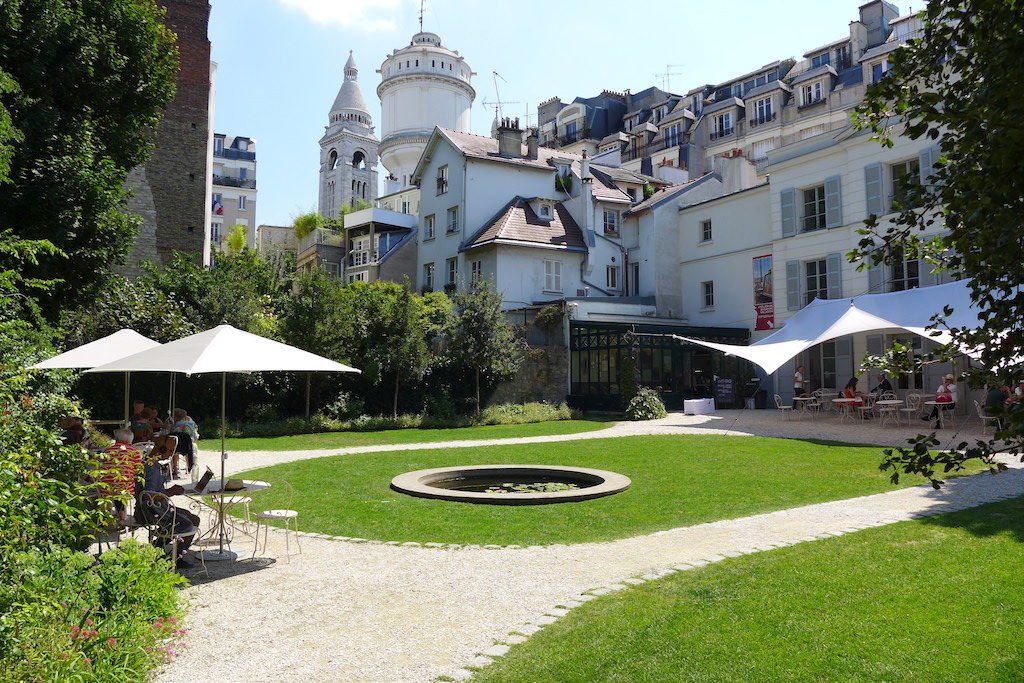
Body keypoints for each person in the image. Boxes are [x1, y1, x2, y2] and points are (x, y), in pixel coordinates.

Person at [137, 441, 200, 568]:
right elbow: (149, 496)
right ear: (161, 450)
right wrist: (171, 492)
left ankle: (157, 549)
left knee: (192, 519)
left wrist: (169, 491)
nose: (172, 455)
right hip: (154, 511)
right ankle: (173, 559)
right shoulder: (151, 468)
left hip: (157, 508)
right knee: (188, 523)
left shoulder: (151, 465)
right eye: (170, 451)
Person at [98, 428, 143, 522]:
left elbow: (101, 462)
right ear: (131, 439)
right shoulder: (135, 452)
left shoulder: (108, 450)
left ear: (117, 438)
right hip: (124, 487)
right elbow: (138, 469)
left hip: (106, 485)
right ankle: (122, 515)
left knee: (110, 484)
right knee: (125, 484)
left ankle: (106, 513)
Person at [169, 408, 199, 475]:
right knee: (189, 451)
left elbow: (171, 435)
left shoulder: (174, 426)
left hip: (176, 446)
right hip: (187, 446)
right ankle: (189, 468)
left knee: (174, 452)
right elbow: (194, 432)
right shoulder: (190, 424)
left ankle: (176, 469)